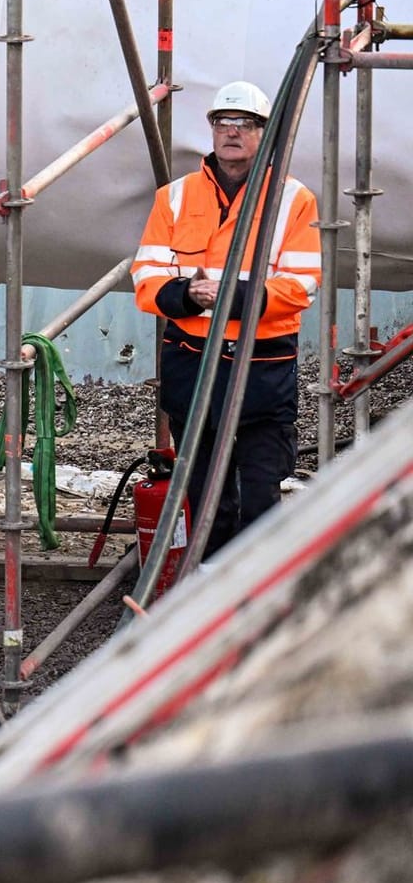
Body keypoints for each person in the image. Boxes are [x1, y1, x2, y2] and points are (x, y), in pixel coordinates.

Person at [130, 81, 321, 558]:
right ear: (211, 129)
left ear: (264, 133)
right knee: (204, 499)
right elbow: (146, 275)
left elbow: (301, 285)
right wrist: (187, 295)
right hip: (193, 367)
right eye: (223, 122)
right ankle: (210, 589)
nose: (231, 132)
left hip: (261, 369)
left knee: (261, 496)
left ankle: (256, 595)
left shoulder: (293, 200)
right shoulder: (174, 197)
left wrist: (231, 297)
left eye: (245, 124)